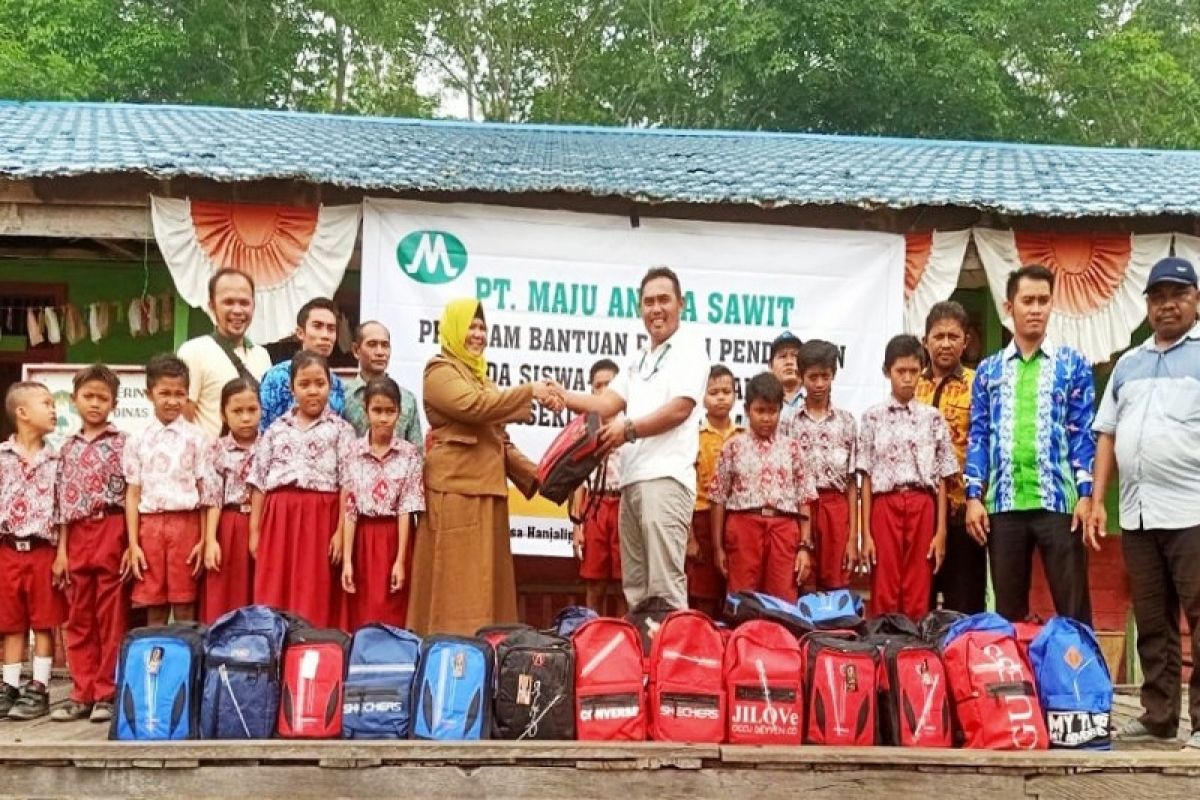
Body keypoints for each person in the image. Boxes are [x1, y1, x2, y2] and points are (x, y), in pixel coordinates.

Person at [1089, 257, 1200, 748]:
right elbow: (1107, 434)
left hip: (1193, 509)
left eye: (1177, 295)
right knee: (1153, 621)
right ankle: (1158, 716)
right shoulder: (1128, 363)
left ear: (1195, 300)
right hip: (1137, 512)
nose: (1167, 305)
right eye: (1157, 297)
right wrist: (1096, 500)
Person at [553, 266, 711, 610]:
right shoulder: (637, 359)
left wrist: (628, 430)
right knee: (636, 589)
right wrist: (562, 395)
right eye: (649, 301)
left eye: (664, 300)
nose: (656, 309)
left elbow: (680, 409)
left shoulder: (690, 349)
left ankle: (670, 661)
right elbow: (606, 402)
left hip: (666, 481)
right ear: (640, 308)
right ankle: (644, 659)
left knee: (665, 587)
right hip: (632, 483)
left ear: (681, 304)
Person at [408, 298, 558, 635]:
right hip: (456, 492)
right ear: (453, 330)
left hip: (488, 493)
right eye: (471, 327)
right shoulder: (440, 370)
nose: (478, 334)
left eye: (482, 327)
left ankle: (485, 657)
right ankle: (451, 659)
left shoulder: (482, 379)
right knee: (456, 592)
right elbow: (474, 407)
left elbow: (498, 440)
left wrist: (544, 476)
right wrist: (530, 391)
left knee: (487, 588)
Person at [966, 265, 1097, 626]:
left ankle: (1078, 681)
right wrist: (974, 496)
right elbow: (979, 435)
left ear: (1052, 304)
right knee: (1008, 614)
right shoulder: (989, 371)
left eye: (1043, 300)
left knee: (1073, 610)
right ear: (1010, 307)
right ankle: (1015, 682)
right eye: (1028, 300)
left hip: (1059, 502)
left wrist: (1086, 494)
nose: (1036, 308)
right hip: (1003, 503)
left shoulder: (1073, 365)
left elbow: (1082, 432)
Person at [248, 351, 355, 629]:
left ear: (330, 386)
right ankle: (274, 652)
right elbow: (259, 482)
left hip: (321, 518)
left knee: (314, 589)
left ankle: (312, 656)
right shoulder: (275, 429)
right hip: (278, 518)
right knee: (275, 586)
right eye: (304, 384)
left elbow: (348, 484)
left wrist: (341, 531)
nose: (312, 391)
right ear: (291, 387)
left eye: (319, 383)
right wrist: (255, 531)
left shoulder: (341, 430)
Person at [858, 335, 958, 620]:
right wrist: (866, 533)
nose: (907, 379)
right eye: (900, 371)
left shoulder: (933, 418)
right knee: (885, 584)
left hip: (922, 504)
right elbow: (864, 476)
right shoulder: (872, 417)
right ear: (887, 371)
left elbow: (941, 478)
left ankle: (913, 654)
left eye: (914, 371)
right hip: (884, 504)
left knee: (918, 584)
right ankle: (884, 649)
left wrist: (941, 532)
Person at [50, 365, 128, 724]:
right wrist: (62, 551)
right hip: (77, 534)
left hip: (110, 527)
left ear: (113, 402)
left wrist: (129, 541)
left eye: (103, 397)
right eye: (89, 396)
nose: (95, 403)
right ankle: (81, 692)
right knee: (78, 615)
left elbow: (131, 497)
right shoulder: (65, 448)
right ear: (75, 398)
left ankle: (106, 692)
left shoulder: (123, 443)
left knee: (110, 616)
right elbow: (62, 507)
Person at [122, 355, 211, 626]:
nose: (172, 401)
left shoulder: (198, 438)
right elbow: (133, 494)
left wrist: (205, 538)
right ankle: (155, 666)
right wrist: (133, 543)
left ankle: (185, 665)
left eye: (179, 394)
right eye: (165, 393)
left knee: (185, 604)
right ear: (149, 394)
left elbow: (205, 491)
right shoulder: (137, 440)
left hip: (187, 526)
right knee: (154, 605)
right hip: (149, 528)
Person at [709, 372, 814, 602]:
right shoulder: (733, 447)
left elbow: (805, 498)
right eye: (760, 411)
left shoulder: (793, 448)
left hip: (784, 528)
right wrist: (718, 548)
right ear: (747, 410)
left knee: (782, 600)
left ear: (780, 410)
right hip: (743, 526)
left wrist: (805, 546)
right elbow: (718, 499)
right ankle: (742, 639)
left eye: (772, 411)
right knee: (743, 599)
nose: (766, 418)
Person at [915, 301, 986, 614]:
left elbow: (985, 443)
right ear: (925, 340)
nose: (945, 343)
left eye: (953, 336)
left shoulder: (979, 383)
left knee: (964, 608)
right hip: (919, 515)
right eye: (938, 336)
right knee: (919, 605)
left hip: (963, 514)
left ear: (965, 341)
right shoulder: (910, 384)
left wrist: (977, 497)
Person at [0, 382, 65, 720]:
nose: (54, 409)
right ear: (22, 414)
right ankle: (9, 685)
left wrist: (62, 553)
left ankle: (38, 686)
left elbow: (64, 512)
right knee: (10, 623)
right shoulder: (1, 457)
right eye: (46, 403)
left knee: (43, 621)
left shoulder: (58, 459)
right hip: (8, 548)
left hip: (43, 549)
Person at [341, 377, 425, 630]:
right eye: (377, 410)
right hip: (362, 540)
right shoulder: (352, 452)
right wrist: (347, 560)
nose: (383, 418)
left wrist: (400, 560)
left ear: (399, 413)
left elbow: (405, 510)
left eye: (390, 411)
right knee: (362, 613)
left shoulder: (409, 454)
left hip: (394, 538)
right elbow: (350, 510)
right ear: (365, 411)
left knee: (394, 608)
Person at [787, 339, 858, 592]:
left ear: (833, 376)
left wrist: (853, 538)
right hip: (799, 510)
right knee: (801, 580)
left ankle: (834, 632)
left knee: (836, 582)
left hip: (835, 508)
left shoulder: (847, 422)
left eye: (825, 376)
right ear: (801, 376)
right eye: (812, 377)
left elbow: (852, 483)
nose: (819, 384)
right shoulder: (789, 424)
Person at [177, 268, 272, 439]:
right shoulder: (193, 351)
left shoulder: (262, 355)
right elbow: (182, 422)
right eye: (228, 302)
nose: (237, 310)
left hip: (255, 462)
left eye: (244, 303)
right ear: (212, 306)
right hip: (210, 461)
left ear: (253, 305)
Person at [198, 378, 261, 624]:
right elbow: (213, 497)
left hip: (263, 524)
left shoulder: (271, 445)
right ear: (223, 414)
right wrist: (211, 539)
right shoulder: (217, 448)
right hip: (229, 526)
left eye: (252, 410)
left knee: (259, 592)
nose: (245, 418)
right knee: (226, 593)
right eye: (237, 411)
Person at [570, 359, 625, 614]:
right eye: (597, 386)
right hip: (595, 506)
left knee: (628, 581)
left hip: (625, 504)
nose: (603, 391)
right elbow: (579, 478)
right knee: (595, 582)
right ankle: (593, 633)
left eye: (609, 385)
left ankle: (630, 638)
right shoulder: (585, 427)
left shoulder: (631, 425)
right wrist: (577, 525)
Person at [689, 364, 740, 616]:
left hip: (734, 518)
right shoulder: (693, 437)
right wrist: (690, 537)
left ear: (735, 395)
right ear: (702, 397)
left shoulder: (743, 435)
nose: (721, 397)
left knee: (733, 590)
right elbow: (686, 487)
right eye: (714, 392)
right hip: (701, 518)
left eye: (727, 391)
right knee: (704, 591)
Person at [258, 298, 347, 430]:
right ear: (300, 333)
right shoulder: (277, 377)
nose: (325, 335)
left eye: (331, 329)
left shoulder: (337, 385)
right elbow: (262, 430)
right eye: (317, 326)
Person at [343, 321, 422, 447]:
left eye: (385, 345)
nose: (380, 352)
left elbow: (417, 452)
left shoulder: (407, 399)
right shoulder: (342, 396)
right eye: (372, 344)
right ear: (356, 350)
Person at [770, 331, 804, 424]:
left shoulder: (815, 399)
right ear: (770, 366)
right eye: (782, 356)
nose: (789, 362)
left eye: (795, 356)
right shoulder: (759, 402)